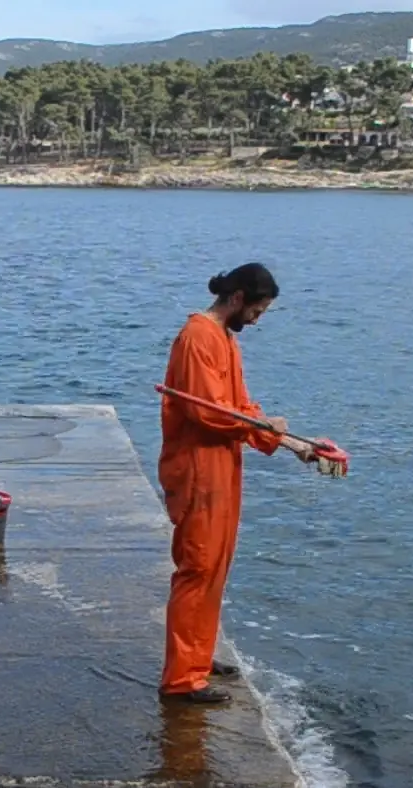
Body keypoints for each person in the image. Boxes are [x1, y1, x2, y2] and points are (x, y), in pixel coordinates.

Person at [157, 263, 318, 705]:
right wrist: (266, 426)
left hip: (221, 467)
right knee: (198, 566)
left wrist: (293, 442)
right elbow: (208, 413)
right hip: (197, 469)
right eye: (257, 309)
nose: (257, 319)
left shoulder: (225, 339)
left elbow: (239, 407)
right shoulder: (196, 338)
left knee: (217, 565)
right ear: (238, 298)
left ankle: (199, 657)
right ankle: (181, 680)